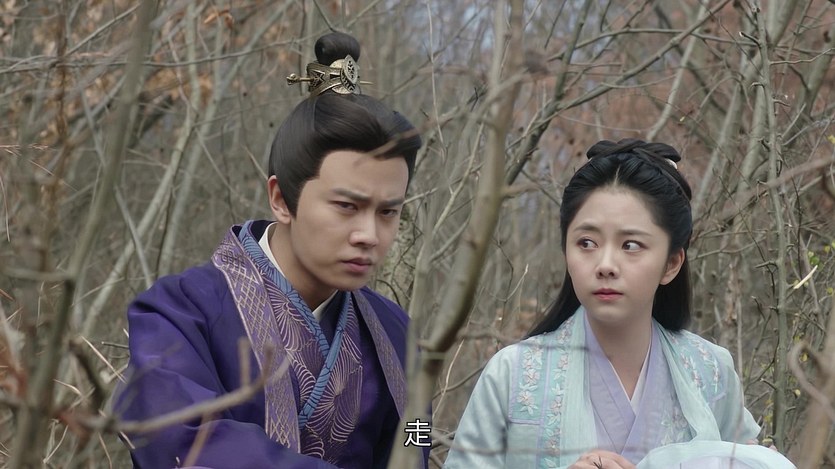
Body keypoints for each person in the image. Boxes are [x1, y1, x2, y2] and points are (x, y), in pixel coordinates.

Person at [113, 32, 423, 469]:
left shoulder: (394, 332)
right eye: (346, 206)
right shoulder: (180, 311)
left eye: (388, 212)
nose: (369, 234)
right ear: (280, 199)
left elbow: (416, 432)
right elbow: (177, 435)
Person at [443, 139, 795, 469]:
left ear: (672, 263)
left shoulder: (710, 371)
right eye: (586, 243)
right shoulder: (513, 375)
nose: (605, 265)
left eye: (631, 245)